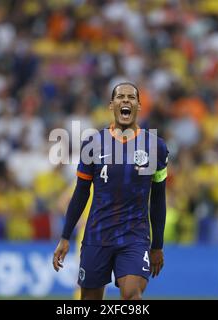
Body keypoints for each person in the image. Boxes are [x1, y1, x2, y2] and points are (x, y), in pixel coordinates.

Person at [53, 83, 168, 300]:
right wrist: (65, 236)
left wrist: (158, 245)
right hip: (97, 235)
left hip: (135, 236)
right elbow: (80, 193)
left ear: (139, 106)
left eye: (131, 97)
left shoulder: (156, 147)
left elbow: (159, 198)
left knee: (132, 296)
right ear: (111, 105)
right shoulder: (93, 144)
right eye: (120, 97)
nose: (126, 100)